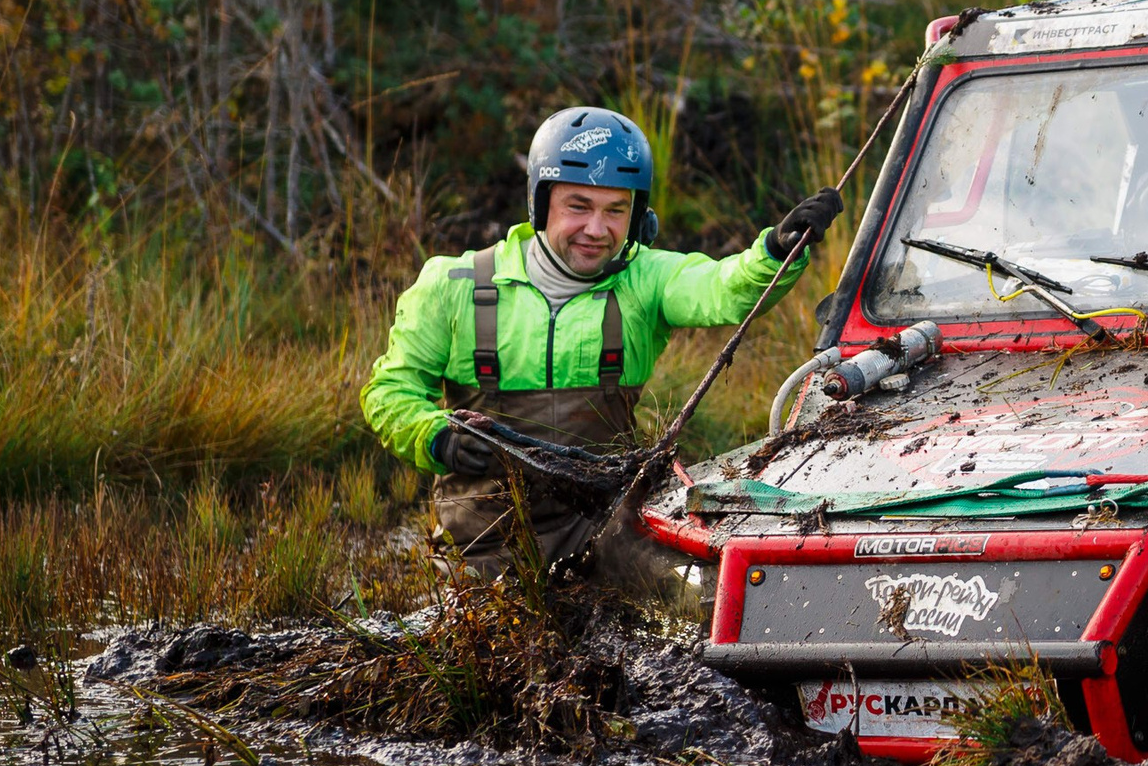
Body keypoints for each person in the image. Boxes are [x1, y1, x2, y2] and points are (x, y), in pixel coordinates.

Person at [360, 106, 843, 580]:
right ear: (540, 202)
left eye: (616, 210)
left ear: (636, 217)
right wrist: (435, 437)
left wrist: (776, 250)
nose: (596, 230)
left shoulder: (646, 278)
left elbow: (723, 289)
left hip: (606, 540)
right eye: (578, 207)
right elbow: (389, 395)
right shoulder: (452, 284)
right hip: (479, 553)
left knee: (703, 603)